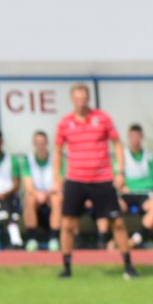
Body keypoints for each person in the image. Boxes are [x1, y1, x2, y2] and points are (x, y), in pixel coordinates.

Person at [54, 83, 136, 279]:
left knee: (117, 222)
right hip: (75, 180)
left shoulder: (103, 118)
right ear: (72, 100)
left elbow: (117, 144)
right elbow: (57, 150)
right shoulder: (65, 123)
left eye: (84, 99)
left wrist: (120, 172)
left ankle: (128, 266)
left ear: (88, 99)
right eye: (77, 99)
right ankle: (66, 268)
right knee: (67, 223)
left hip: (102, 179)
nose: (81, 103)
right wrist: (57, 176)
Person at [118, 124, 153, 247]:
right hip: (127, 194)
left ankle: (136, 239)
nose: (135, 139)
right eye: (132, 136)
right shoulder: (122, 156)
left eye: (137, 136)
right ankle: (117, 240)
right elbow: (117, 179)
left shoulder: (150, 156)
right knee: (113, 208)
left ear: (142, 137)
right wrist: (125, 185)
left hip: (145, 194)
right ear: (129, 137)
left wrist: (133, 184)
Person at [22, 129, 61, 251]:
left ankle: (54, 238)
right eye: (37, 142)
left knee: (57, 199)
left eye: (42, 142)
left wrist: (47, 194)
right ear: (34, 144)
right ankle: (32, 239)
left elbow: (59, 182)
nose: (40, 145)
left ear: (47, 143)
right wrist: (38, 194)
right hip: (35, 193)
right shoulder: (28, 160)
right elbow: (28, 185)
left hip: (51, 193)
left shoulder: (56, 159)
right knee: (29, 199)